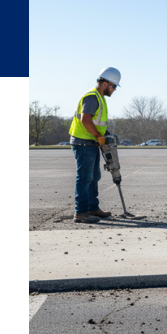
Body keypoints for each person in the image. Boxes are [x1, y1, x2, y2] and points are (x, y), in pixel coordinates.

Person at [68, 67, 120, 223]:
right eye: (114, 86)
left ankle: (92, 208)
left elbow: (97, 122)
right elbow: (85, 119)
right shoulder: (92, 97)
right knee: (85, 177)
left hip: (91, 142)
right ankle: (81, 212)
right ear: (105, 84)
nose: (114, 90)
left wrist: (105, 135)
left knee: (94, 176)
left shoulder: (100, 97)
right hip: (83, 142)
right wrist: (98, 136)